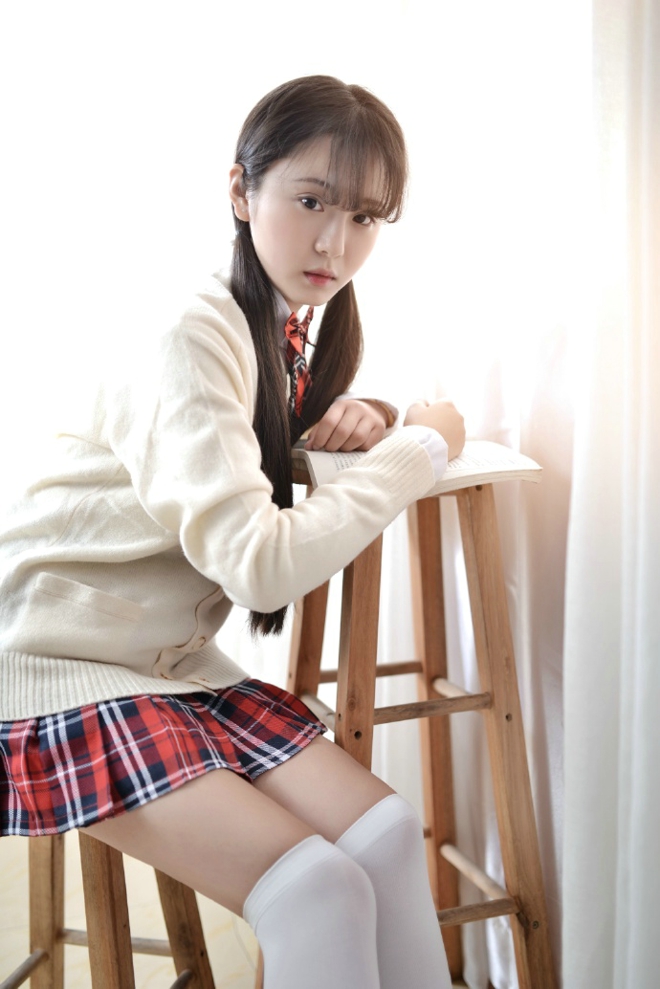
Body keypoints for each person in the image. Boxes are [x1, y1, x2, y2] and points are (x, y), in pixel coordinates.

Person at [0, 75, 465, 988]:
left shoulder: (274, 326)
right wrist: (419, 450)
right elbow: (259, 566)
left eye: (365, 216)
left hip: (163, 664)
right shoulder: (191, 329)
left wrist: (368, 413)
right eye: (311, 201)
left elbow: (248, 448)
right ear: (240, 191)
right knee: (315, 890)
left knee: (384, 836)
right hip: (49, 666)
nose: (335, 242)